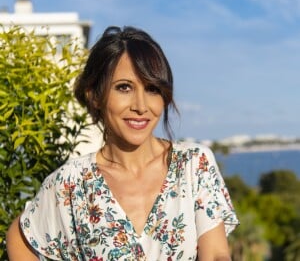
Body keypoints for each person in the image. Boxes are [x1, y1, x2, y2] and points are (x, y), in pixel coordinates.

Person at [6, 26, 239, 260]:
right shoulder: (71, 183)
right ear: (95, 95)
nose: (140, 105)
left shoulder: (192, 165)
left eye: (152, 89)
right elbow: (19, 237)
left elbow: (217, 254)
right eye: (124, 87)